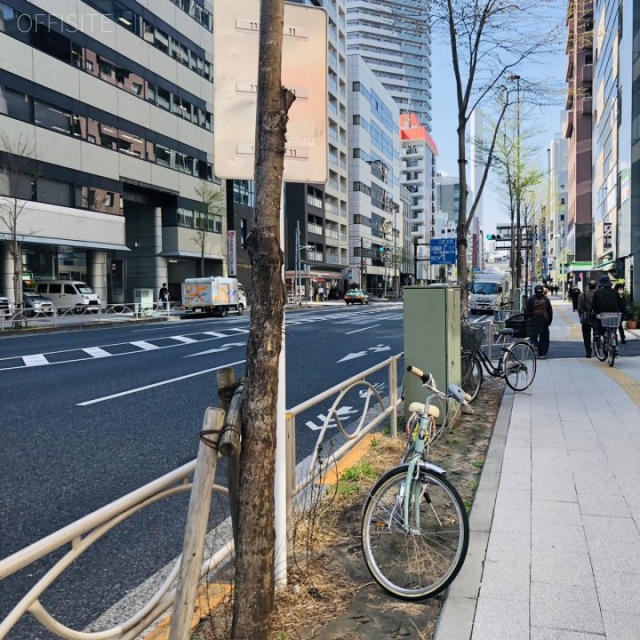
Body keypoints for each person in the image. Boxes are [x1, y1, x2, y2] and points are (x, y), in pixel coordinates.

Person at [592, 275, 624, 341]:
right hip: (614, 314)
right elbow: (621, 303)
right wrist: (620, 309)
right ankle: (614, 342)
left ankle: (597, 334)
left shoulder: (597, 292)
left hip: (602, 314)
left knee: (596, 321)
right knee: (613, 328)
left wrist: (594, 311)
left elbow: (594, 305)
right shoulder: (614, 292)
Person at [525, 283, 553, 359]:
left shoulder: (531, 299)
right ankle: (541, 353)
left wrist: (526, 320)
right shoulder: (546, 299)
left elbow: (526, 311)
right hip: (544, 321)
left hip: (533, 320)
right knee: (544, 337)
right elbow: (550, 311)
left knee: (533, 337)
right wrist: (549, 321)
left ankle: (537, 346)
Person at [577, 280, 597, 358]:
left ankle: (588, 352)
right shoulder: (597, 294)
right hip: (596, 317)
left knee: (586, 335)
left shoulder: (582, 295)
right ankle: (597, 348)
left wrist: (580, 314)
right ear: (595, 286)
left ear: (588, 286)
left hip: (586, 317)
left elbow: (579, 308)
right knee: (597, 333)